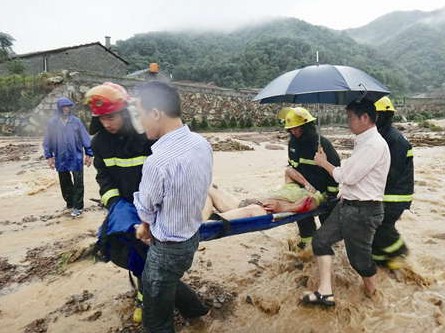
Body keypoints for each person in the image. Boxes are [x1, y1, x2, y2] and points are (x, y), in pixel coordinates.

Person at [86, 82, 208, 324]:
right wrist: (116, 207)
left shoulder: (148, 136)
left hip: (153, 208)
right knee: (124, 250)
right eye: (102, 118)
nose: (107, 123)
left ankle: (157, 300)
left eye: (111, 116)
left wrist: (147, 220)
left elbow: (164, 178)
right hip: (126, 206)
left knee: (151, 264)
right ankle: (189, 308)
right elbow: (104, 177)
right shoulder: (99, 143)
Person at [133, 81, 213, 332]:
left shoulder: (158, 162)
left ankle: (191, 313)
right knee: (167, 280)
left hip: (168, 246)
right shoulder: (202, 144)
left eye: (140, 114)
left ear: (156, 113)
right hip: (191, 236)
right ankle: (197, 312)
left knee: (155, 315)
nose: (139, 122)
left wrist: (145, 225)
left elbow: (146, 208)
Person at [301, 99, 390, 307]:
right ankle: (325, 292)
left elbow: (347, 176)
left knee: (359, 261)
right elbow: (352, 177)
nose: (347, 121)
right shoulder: (362, 141)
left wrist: (324, 164)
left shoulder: (374, 145)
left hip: (363, 211)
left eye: (350, 117)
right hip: (347, 206)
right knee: (320, 240)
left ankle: (374, 297)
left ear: (365, 117)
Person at [280, 107, 340, 249]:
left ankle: (330, 248)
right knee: (304, 222)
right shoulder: (292, 144)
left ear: (306, 126)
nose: (294, 132)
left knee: (328, 227)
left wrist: (332, 194)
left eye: (297, 128)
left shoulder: (322, 144)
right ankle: (307, 247)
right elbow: (292, 167)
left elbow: (335, 169)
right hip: (303, 193)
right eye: (291, 129)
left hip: (323, 193)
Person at [372, 96, 414, 269]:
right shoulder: (383, 136)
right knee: (375, 230)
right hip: (387, 194)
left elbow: (391, 173)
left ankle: (400, 252)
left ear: (382, 116)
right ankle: (382, 262)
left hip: (394, 196)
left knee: (381, 226)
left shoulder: (394, 140)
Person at [43, 97, 93, 217]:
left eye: (68, 107)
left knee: (78, 182)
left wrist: (89, 154)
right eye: (64, 107)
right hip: (61, 156)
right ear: (59, 108)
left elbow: (85, 137)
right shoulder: (53, 123)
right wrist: (49, 156)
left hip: (76, 156)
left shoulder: (76, 121)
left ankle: (78, 207)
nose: (66, 109)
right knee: (64, 182)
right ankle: (70, 203)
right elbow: (48, 140)